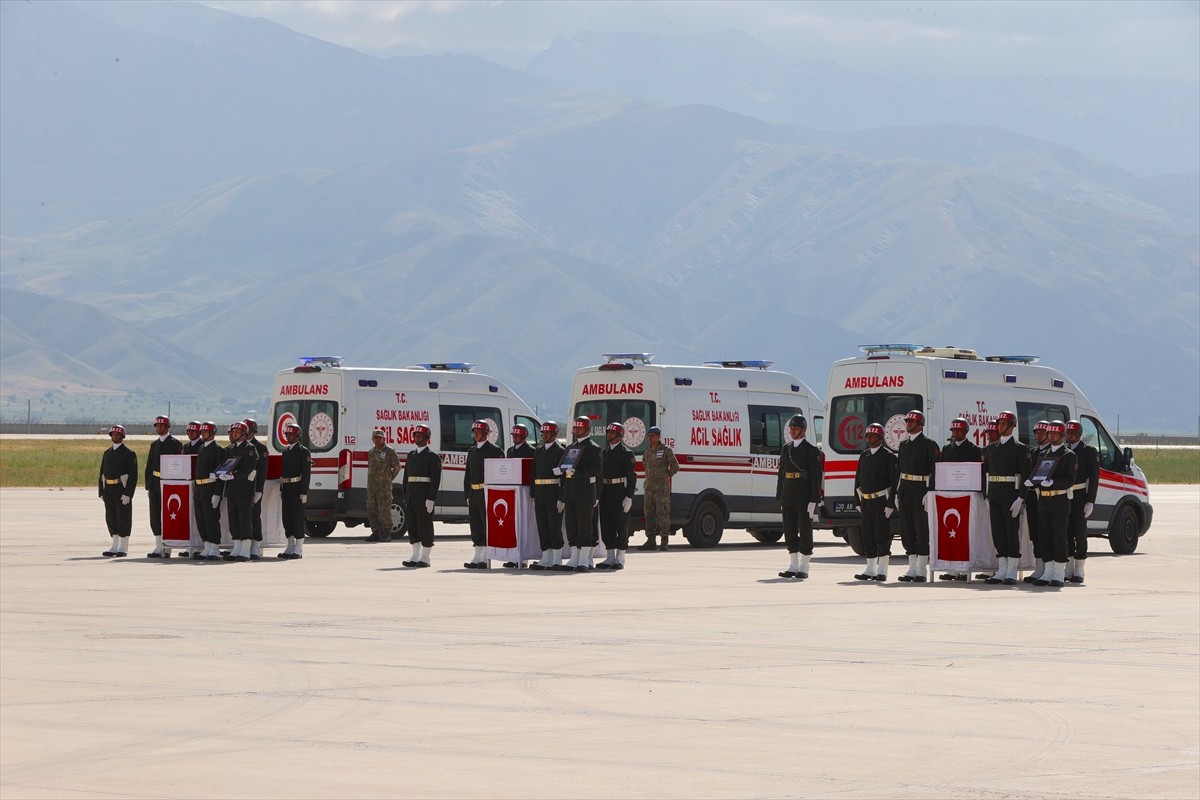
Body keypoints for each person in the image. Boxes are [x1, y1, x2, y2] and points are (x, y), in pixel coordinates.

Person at [983, 410, 1031, 585]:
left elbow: (1026, 475)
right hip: (995, 495)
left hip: (1011, 497)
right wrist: (986, 496)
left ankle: (1011, 570)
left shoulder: (1020, 449)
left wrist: (1021, 498)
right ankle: (1001, 569)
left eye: (1004, 424)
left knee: (1011, 533)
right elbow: (985, 474)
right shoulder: (990, 449)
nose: (1001, 426)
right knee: (998, 533)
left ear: (1012, 426)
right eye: (999, 424)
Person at [1027, 421, 1077, 587]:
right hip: (1044, 500)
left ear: (1062, 436)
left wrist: (1054, 483)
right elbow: (1039, 474)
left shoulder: (1069, 455)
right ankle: (1048, 570)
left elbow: (1070, 479)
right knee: (1045, 536)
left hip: (1059, 500)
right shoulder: (1045, 454)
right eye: (1050, 434)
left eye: (1056, 434)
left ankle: (1059, 572)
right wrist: (1033, 482)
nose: (1052, 436)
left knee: (1059, 536)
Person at [895, 410, 940, 583]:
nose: (908, 424)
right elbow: (899, 471)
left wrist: (931, 491)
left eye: (912, 421)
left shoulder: (929, 444)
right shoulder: (904, 444)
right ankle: (911, 568)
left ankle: (921, 569)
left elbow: (935, 470)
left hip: (921, 490)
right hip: (906, 490)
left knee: (921, 529)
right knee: (907, 530)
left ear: (920, 424)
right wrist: (897, 493)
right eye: (907, 421)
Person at [776, 414, 822, 579]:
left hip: (804, 495)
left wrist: (813, 500)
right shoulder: (786, 449)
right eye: (791, 428)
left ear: (803, 430)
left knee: (805, 529)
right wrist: (780, 495)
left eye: (796, 428)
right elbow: (781, 474)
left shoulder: (811, 451)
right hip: (788, 493)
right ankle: (793, 564)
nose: (792, 431)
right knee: (789, 530)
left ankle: (804, 565)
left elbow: (816, 477)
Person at [938, 417, 983, 580]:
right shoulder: (947, 449)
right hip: (950, 496)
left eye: (958, 431)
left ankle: (965, 569)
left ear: (965, 432)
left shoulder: (973, 449)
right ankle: (952, 568)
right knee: (952, 533)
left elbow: (977, 472)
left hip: (967, 496)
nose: (955, 433)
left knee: (966, 533)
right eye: (953, 431)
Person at [853, 423, 898, 581]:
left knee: (882, 535)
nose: (870, 438)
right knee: (868, 535)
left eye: (873, 436)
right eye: (868, 436)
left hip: (881, 501)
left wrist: (891, 503)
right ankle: (870, 568)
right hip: (866, 502)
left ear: (881, 438)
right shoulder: (864, 455)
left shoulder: (888, 456)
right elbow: (858, 479)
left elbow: (894, 481)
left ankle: (882, 570)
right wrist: (857, 501)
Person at [559, 416, 602, 572]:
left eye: (580, 428)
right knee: (571, 524)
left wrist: (577, 472)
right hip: (571, 491)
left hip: (585, 492)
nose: (577, 431)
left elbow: (596, 470)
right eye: (575, 428)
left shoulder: (593, 448)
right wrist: (561, 470)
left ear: (587, 429)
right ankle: (574, 556)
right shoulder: (570, 447)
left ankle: (584, 559)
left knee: (585, 525)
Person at [597, 422, 637, 571]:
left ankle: (620, 557)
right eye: (608, 432)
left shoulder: (626, 453)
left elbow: (631, 477)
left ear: (619, 435)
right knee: (607, 524)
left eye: (612, 432)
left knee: (621, 524)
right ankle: (610, 557)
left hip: (619, 491)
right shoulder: (605, 453)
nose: (609, 434)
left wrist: (629, 496)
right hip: (606, 492)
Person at [463, 420, 503, 568]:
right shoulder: (472, 451)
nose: (476, 434)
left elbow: (499, 474)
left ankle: (486, 555)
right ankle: (477, 554)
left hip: (487, 492)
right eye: (474, 432)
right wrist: (467, 494)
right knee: (475, 525)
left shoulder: (495, 451)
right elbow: (468, 474)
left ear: (486, 433)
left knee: (486, 524)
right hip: (474, 492)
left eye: (478, 432)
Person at [402, 424, 441, 568]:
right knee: (412, 526)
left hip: (424, 497)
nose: (416, 438)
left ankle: (425, 557)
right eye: (415, 435)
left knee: (425, 526)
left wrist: (431, 498)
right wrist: (405, 495)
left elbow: (435, 480)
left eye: (419, 436)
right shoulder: (411, 455)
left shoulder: (432, 457)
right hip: (412, 496)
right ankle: (415, 555)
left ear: (426, 438)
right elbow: (406, 477)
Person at [1064, 419, 1098, 584]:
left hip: (1080, 496)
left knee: (1080, 532)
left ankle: (1080, 567)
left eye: (1072, 433)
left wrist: (1090, 500)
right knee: (1067, 532)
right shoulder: (1063, 450)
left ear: (1078, 435)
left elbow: (1094, 478)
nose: (1069, 436)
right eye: (1067, 433)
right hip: (1064, 494)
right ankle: (1069, 567)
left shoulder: (1088, 451)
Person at [219, 421, 259, 562]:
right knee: (233, 520)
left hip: (244, 490)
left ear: (244, 434)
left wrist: (233, 475)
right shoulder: (230, 449)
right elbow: (225, 464)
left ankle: (245, 549)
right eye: (233, 431)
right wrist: (220, 473)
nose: (233, 434)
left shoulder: (250, 448)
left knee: (244, 519)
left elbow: (249, 468)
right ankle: (236, 547)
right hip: (232, 489)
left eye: (237, 432)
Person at [145, 415, 182, 558]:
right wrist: (148, 485)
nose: (159, 428)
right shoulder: (154, 445)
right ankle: (158, 544)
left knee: (168, 515)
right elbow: (149, 466)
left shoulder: (175, 444)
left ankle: (168, 546)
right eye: (157, 426)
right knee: (155, 514)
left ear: (167, 427)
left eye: (161, 426)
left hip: (168, 482)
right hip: (155, 482)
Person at [530, 421, 565, 571]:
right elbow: (534, 473)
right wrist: (533, 493)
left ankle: (557, 558)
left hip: (553, 492)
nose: (544, 435)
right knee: (542, 526)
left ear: (554, 434)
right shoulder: (538, 451)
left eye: (547, 433)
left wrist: (562, 497)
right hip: (540, 493)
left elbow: (564, 478)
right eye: (543, 433)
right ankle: (546, 556)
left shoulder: (560, 451)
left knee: (554, 526)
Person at [98, 424, 137, 557]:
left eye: (118, 435)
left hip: (121, 489)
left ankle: (123, 546)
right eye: (113, 434)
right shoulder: (107, 453)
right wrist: (101, 492)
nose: (115, 436)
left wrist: (128, 494)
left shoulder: (129, 453)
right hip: (108, 489)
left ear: (122, 436)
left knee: (123, 517)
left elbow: (133, 476)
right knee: (111, 517)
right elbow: (101, 473)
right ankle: (114, 545)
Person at [638, 425, 679, 551]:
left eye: (653, 436)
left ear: (658, 436)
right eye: (649, 436)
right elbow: (645, 463)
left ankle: (664, 541)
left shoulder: (666, 450)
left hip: (661, 488)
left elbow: (675, 466)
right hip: (649, 488)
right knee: (649, 514)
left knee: (662, 514)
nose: (650, 438)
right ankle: (651, 540)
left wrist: (667, 475)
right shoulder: (648, 451)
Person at [502, 424, 536, 568]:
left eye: (517, 435)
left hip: (524, 490)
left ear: (523, 436)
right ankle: (513, 556)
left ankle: (523, 558)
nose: (514, 438)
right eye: (513, 435)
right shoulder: (510, 451)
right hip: (511, 490)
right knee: (512, 524)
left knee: (524, 524)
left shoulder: (531, 451)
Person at [1023, 421, 1052, 583]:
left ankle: (1049, 568)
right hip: (1033, 497)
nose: (1038, 435)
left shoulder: (1051, 452)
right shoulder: (1032, 453)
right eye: (1037, 432)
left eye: (1042, 432)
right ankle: (1039, 567)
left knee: (1046, 533)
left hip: (1047, 497)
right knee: (1035, 533)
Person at [277, 422, 311, 560]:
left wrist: (304, 492)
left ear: (297, 436)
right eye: (287, 434)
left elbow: (306, 473)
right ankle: (290, 545)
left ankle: (299, 547)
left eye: (291, 434)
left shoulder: (303, 452)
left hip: (297, 488)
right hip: (287, 488)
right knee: (287, 518)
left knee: (297, 518)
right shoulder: (286, 452)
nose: (288, 436)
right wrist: (281, 488)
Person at [192, 421, 225, 560]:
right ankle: (207, 546)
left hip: (210, 488)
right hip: (200, 488)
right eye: (202, 432)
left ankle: (215, 548)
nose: (203, 434)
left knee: (211, 519)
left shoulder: (219, 450)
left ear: (212, 433)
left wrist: (217, 493)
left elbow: (221, 474)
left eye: (205, 432)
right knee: (201, 519)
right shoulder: (201, 448)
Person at [364, 429, 401, 543]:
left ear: (383, 439)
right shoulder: (371, 452)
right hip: (372, 487)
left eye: (379, 437)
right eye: (375, 438)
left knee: (384, 510)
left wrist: (389, 479)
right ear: (372, 439)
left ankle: (386, 533)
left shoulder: (389, 451)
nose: (377, 440)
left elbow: (397, 467)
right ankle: (375, 532)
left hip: (384, 487)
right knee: (372, 510)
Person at [243, 419, 269, 560]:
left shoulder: (260, 448)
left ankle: (256, 544)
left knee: (254, 516)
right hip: (242, 488)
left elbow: (262, 471)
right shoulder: (239, 445)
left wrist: (259, 490)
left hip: (254, 488)